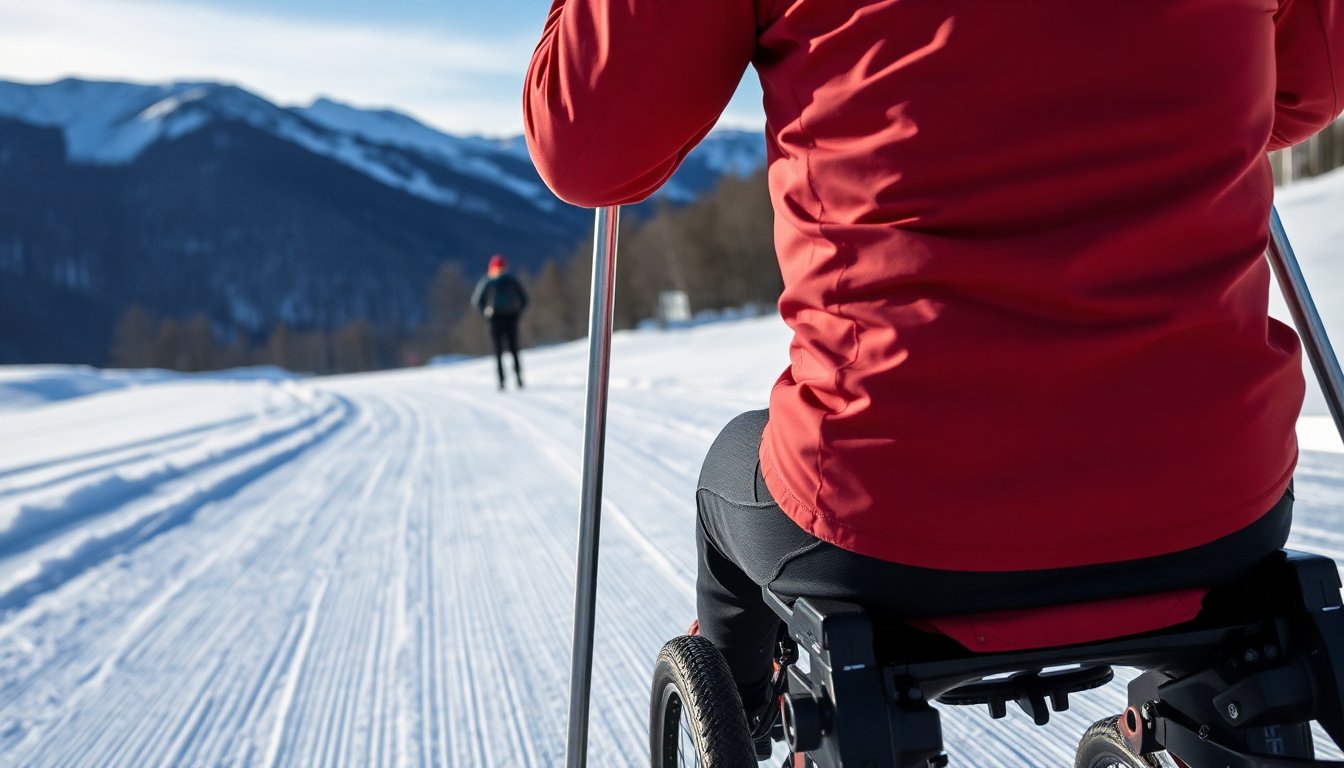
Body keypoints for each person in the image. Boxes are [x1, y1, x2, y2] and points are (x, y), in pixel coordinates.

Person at [525, 0, 1344, 731]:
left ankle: (744, 707)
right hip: (1216, 491)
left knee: (725, 485)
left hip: (887, 507)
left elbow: (589, 143)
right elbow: (1307, 81)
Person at [471, 254, 529, 391]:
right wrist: (486, 315)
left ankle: (518, 378)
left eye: (502, 268)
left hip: (509, 317)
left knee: (513, 349)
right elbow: (477, 301)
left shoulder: (509, 281)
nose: (500, 271)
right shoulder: (489, 282)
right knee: (499, 351)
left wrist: (517, 312)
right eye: (498, 268)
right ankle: (502, 380)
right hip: (496, 319)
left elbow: (524, 299)